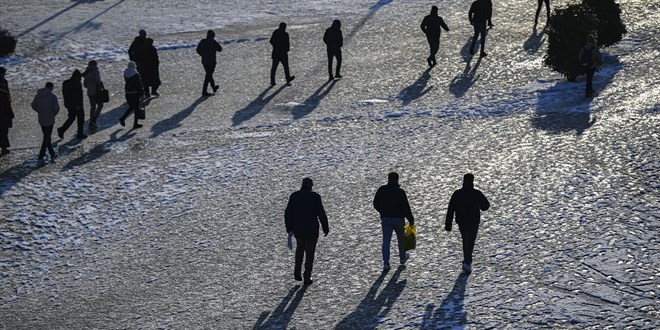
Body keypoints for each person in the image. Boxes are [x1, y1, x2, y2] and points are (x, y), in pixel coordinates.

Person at [285, 177, 329, 286]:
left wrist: (289, 228)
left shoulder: (294, 196)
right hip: (312, 231)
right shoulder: (315, 197)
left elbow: (287, 213)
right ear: (311, 186)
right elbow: (321, 213)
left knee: (300, 249)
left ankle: (297, 272)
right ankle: (307, 277)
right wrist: (325, 227)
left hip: (298, 229)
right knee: (310, 254)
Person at [445, 173, 490, 274]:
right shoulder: (476, 193)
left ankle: (466, 261)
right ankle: (467, 261)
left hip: (462, 221)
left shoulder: (457, 194)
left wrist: (448, 224)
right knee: (470, 241)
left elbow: (451, 209)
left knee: (465, 240)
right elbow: (485, 206)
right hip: (473, 221)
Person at [373, 172, 415, 271]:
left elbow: (375, 203)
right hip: (399, 219)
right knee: (401, 240)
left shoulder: (382, 190)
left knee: (386, 241)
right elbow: (406, 207)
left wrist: (382, 212)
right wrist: (411, 219)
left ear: (388, 179)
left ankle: (386, 263)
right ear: (397, 179)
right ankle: (402, 257)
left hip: (386, 219)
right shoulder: (400, 192)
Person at [31, 82, 60, 161]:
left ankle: (49, 154)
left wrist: (39, 111)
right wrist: (53, 114)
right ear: (51, 87)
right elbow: (56, 108)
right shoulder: (52, 96)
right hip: (50, 119)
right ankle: (45, 155)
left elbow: (33, 105)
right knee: (47, 137)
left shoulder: (38, 95)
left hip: (41, 118)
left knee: (46, 137)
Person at [57, 69, 87, 140]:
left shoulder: (66, 83)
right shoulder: (76, 83)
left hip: (69, 104)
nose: (80, 79)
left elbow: (66, 94)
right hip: (77, 105)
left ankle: (62, 130)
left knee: (71, 118)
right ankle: (79, 133)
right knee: (80, 118)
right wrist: (78, 105)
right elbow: (77, 96)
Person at [196, 30, 222, 97]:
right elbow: (220, 49)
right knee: (208, 76)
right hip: (212, 62)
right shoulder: (213, 42)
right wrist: (215, 42)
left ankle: (213, 87)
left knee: (209, 75)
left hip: (204, 61)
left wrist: (202, 55)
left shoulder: (203, 41)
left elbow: (198, 50)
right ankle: (204, 91)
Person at [119, 61, 144, 129]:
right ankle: (134, 123)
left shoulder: (126, 73)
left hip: (128, 93)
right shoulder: (135, 74)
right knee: (136, 108)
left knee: (132, 107)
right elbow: (138, 85)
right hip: (135, 93)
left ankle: (123, 118)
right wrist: (142, 94)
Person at [82, 60, 104, 129]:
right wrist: (100, 85)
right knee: (100, 105)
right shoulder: (95, 70)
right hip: (96, 91)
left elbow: (85, 84)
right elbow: (98, 80)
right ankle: (93, 120)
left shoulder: (86, 72)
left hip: (89, 92)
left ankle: (92, 121)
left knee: (92, 106)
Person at [0, 67, 14, 155]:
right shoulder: (3, 83)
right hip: (3, 113)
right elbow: (7, 100)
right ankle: (4, 148)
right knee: (4, 131)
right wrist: (10, 112)